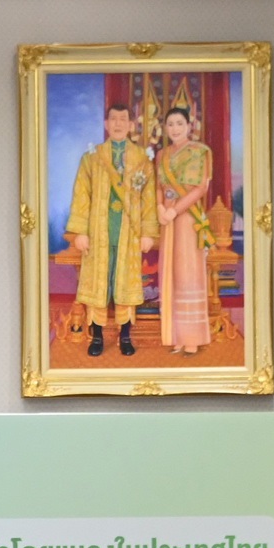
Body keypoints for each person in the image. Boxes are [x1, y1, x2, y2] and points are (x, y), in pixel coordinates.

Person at [63, 101, 158, 358]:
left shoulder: (142, 159)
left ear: (131, 124)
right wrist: (81, 231)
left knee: (124, 285)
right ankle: (97, 336)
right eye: (113, 119)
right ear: (106, 124)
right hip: (98, 232)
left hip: (129, 233)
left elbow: (149, 198)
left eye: (123, 119)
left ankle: (125, 335)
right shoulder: (92, 158)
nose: (118, 124)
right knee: (99, 285)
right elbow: (82, 195)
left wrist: (148, 233)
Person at [156, 105, 213, 357]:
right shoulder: (161, 155)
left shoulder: (200, 151)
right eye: (170, 124)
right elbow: (159, 186)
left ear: (189, 125)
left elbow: (200, 188)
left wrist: (175, 210)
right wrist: (160, 206)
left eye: (179, 123)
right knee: (170, 273)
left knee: (188, 273)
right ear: (165, 128)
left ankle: (192, 338)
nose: (175, 129)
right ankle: (175, 336)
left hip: (188, 217)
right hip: (167, 219)